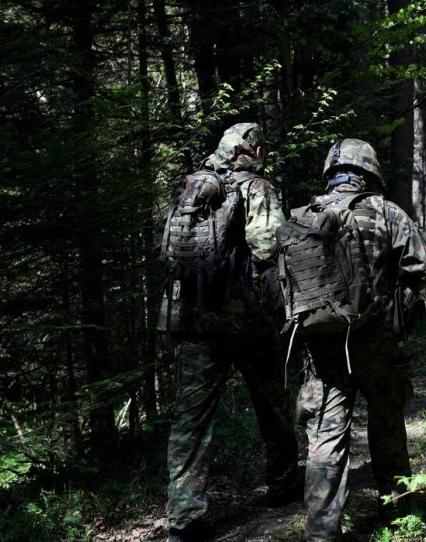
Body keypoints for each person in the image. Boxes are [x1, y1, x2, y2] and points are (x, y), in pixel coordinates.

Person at [157, 123, 301, 542]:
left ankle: (184, 518)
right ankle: (283, 482)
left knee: (190, 417)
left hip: (189, 316)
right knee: (271, 399)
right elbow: (268, 247)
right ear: (252, 149)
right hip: (244, 317)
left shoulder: (191, 187)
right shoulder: (256, 186)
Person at [295, 138, 426, 541]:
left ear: (330, 174)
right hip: (376, 340)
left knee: (325, 434)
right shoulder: (386, 211)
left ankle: (322, 530)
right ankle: (397, 513)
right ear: (370, 171)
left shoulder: (306, 214)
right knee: (387, 422)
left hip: (322, 344)